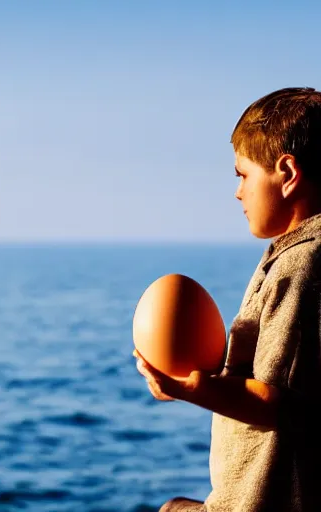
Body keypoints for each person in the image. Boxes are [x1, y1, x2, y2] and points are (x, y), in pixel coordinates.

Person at [134, 87, 321, 511]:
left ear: (288, 174)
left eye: (243, 175)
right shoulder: (294, 253)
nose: (238, 192)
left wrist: (190, 389)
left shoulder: (304, 265)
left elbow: (281, 403)